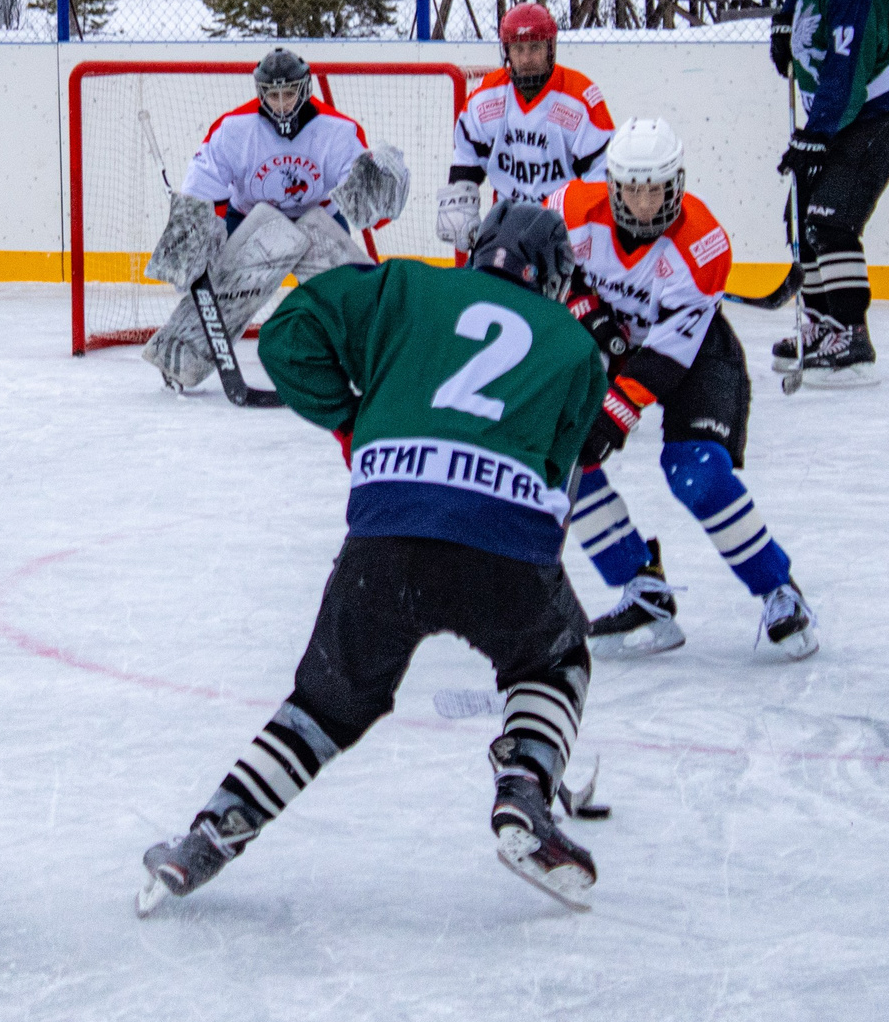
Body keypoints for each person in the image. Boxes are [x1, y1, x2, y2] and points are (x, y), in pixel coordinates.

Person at [137, 199, 611, 915]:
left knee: (324, 706)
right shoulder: (577, 348)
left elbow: (288, 337)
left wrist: (353, 419)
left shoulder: (402, 285)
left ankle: (207, 836)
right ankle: (523, 791)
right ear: (551, 279)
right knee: (556, 659)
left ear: (475, 251)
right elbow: (559, 477)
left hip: (387, 533)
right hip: (505, 541)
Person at [551, 118, 818, 662]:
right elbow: (558, 272)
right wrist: (592, 319)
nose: (645, 204)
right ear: (612, 185)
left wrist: (610, 417)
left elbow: (666, 359)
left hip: (695, 359)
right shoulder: (571, 209)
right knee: (561, 454)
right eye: (632, 190)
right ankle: (642, 590)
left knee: (696, 472)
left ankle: (779, 591)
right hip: (611, 345)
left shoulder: (702, 244)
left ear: (675, 185)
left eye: (656, 190)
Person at [140, 47, 408, 390]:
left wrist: (382, 183)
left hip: (318, 219)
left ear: (305, 89)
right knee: (229, 290)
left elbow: (364, 208)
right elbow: (204, 186)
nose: (281, 103)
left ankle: (378, 357)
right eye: (273, 94)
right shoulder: (234, 128)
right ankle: (182, 357)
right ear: (260, 92)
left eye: (289, 93)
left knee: (348, 289)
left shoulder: (338, 131)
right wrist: (193, 243)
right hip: (252, 217)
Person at [770, 0, 889, 386]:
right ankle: (820, 325)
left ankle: (852, 335)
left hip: (876, 120)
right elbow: (802, 2)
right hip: (835, 123)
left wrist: (815, 136)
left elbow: (844, 75)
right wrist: (783, 21)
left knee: (830, 221)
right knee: (800, 220)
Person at [434, 1, 616, 250]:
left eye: (535, 47)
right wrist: (461, 202)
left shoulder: (579, 98)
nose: (527, 58)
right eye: (518, 48)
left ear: (550, 48)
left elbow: (601, 177)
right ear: (507, 51)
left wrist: (582, 226)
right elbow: (467, 157)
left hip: (563, 230)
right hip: (506, 227)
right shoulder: (487, 97)